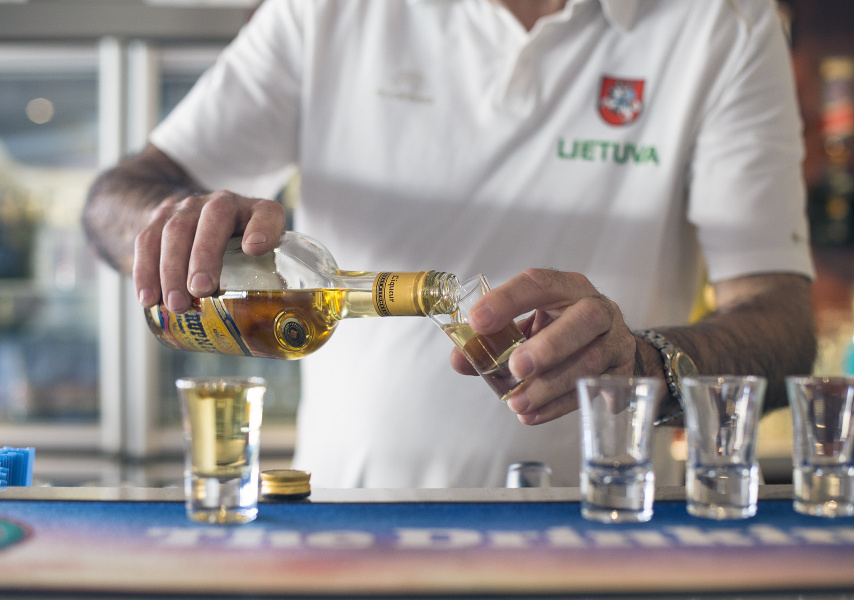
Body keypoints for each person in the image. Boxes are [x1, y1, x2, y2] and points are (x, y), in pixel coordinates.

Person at [83, 0, 816, 488]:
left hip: (600, 539)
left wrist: (642, 366)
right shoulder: (328, 10)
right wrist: (176, 227)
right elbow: (115, 198)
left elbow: (784, 325)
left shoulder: (723, 22)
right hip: (349, 535)